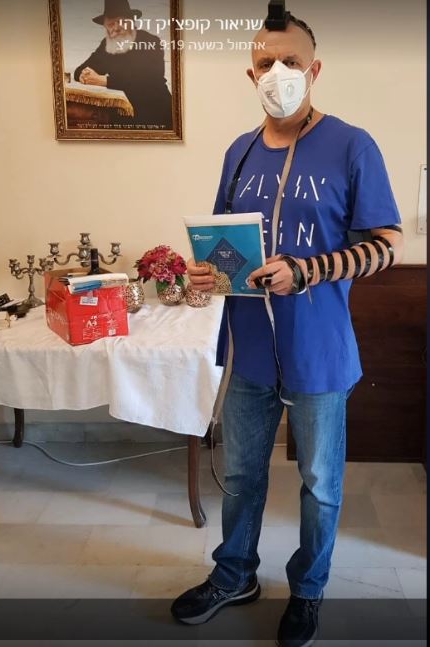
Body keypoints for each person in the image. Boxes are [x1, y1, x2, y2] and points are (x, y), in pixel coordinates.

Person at [170, 10, 403, 647]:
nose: (279, 73)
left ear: (314, 69)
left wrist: (309, 270)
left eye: (291, 62)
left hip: (319, 349)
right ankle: (234, 575)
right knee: (242, 475)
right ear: (251, 75)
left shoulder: (352, 146)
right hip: (250, 348)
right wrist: (206, 273)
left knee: (320, 485)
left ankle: (308, 590)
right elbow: (224, 244)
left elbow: (387, 244)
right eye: (266, 63)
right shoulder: (239, 152)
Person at [74, 0, 173, 129]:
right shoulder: (107, 44)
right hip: (121, 113)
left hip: (155, 111)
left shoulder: (150, 41)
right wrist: (84, 75)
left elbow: (149, 81)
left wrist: (104, 81)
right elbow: (80, 70)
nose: (115, 28)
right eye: (111, 24)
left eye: (120, 22)